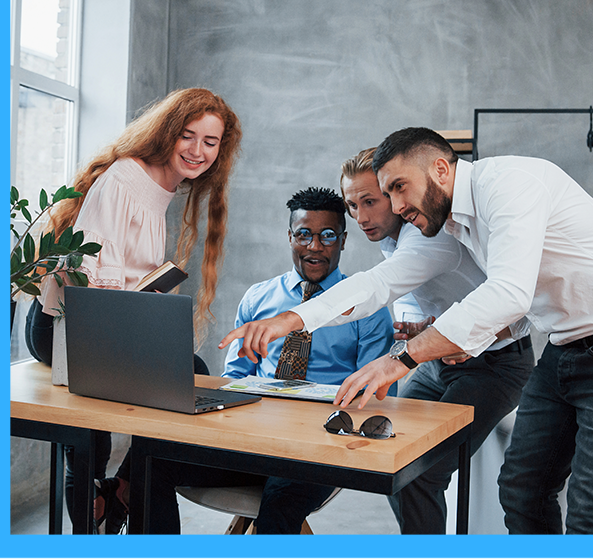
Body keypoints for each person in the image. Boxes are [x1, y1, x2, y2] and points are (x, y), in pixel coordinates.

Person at [333, 127, 593, 535]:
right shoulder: (457, 223)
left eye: (398, 187)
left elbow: (509, 293)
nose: (395, 205)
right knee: (521, 491)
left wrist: (402, 359)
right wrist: (466, 339)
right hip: (565, 345)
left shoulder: (510, 185)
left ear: (441, 169)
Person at [220, 148, 534, 534]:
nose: (362, 215)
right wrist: (430, 333)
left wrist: (293, 318)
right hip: (436, 361)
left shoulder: (425, 237)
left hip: (494, 364)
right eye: (353, 204)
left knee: (420, 472)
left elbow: (377, 286)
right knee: (400, 464)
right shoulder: (392, 243)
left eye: (371, 201)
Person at [25, 88, 242, 532]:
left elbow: (124, 272)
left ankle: (124, 488)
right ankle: (99, 519)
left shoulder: (163, 186)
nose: (198, 151)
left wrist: (145, 303)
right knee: (93, 435)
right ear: (167, 132)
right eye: (188, 136)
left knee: (190, 372)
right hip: (64, 324)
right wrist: (135, 313)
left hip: (107, 322)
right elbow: (84, 273)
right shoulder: (126, 178)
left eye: (210, 142)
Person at [144, 186, 396, 534]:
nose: (315, 246)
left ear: (343, 239)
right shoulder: (258, 298)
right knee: (151, 464)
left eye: (327, 236)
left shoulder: (367, 309)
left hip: (319, 449)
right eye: (304, 235)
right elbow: (233, 379)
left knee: (279, 501)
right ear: (290, 237)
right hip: (253, 441)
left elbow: (375, 396)